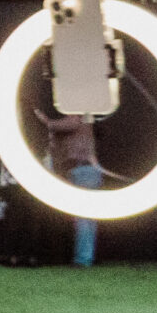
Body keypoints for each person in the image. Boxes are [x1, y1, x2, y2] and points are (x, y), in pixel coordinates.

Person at [38, 107, 106, 267]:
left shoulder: (77, 120)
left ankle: (83, 259)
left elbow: (53, 125)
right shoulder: (83, 121)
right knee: (86, 218)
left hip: (84, 171)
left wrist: (41, 117)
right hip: (85, 171)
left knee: (83, 218)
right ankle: (85, 257)